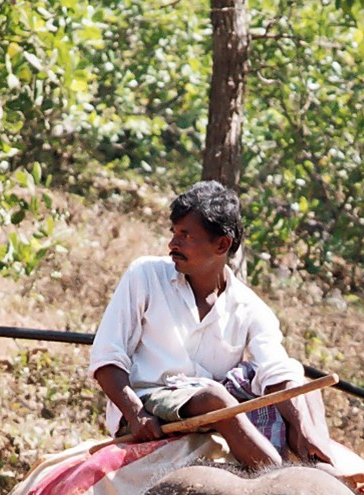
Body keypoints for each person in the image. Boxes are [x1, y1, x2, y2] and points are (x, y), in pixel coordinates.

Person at [88, 181, 331, 471]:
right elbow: (107, 356)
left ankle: (321, 464)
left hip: (218, 405)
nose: (173, 244)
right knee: (215, 398)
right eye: (174, 233)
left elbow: (276, 368)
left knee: (301, 388)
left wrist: (301, 423)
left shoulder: (250, 307)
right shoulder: (145, 275)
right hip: (152, 403)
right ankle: (278, 477)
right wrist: (135, 412)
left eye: (186, 235)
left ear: (222, 245)